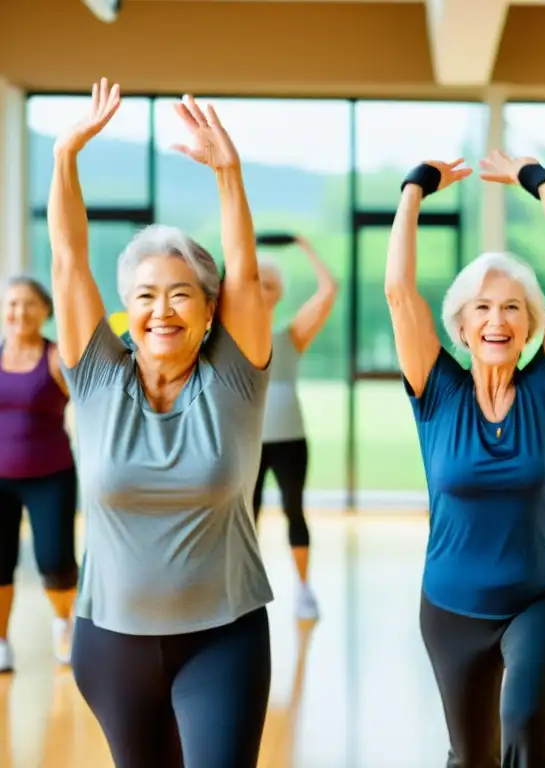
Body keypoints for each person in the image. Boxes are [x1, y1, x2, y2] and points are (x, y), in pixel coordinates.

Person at [49, 79, 274, 767]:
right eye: (145, 296)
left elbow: (241, 267)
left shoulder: (234, 379)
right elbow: (68, 261)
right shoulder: (95, 378)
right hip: (111, 641)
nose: (162, 310)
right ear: (126, 310)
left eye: (182, 295)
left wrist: (227, 173)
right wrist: (64, 155)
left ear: (211, 312)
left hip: (224, 638)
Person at [385, 150, 545, 765]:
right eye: (482, 307)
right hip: (452, 606)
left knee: (525, 720)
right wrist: (415, 190)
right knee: (470, 755)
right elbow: (398, 290)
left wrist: (542, 183)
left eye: (512, 308)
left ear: (530, 325)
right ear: (462, 324)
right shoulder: (436, 390)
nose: (497, 319)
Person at [253, 239, 338, 620]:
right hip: (247, 441)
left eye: (268, 283)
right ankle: (244, 592)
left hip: (290, 440)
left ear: (279, 293)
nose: (259, 288)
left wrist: (305, 245)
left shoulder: (291, 335)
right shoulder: (229, 336)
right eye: (253, 280)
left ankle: (303, 589)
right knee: (244, 515)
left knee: (293, 510)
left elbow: (329, 290)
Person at [0, 276, 79, 671]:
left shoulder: (56, 357)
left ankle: (64, 624)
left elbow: (89, 401)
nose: (20, 312)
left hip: (51, 475)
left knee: (55, 560)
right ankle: (0, 642)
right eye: (12, 304)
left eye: (29, 303)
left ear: (45, 310)